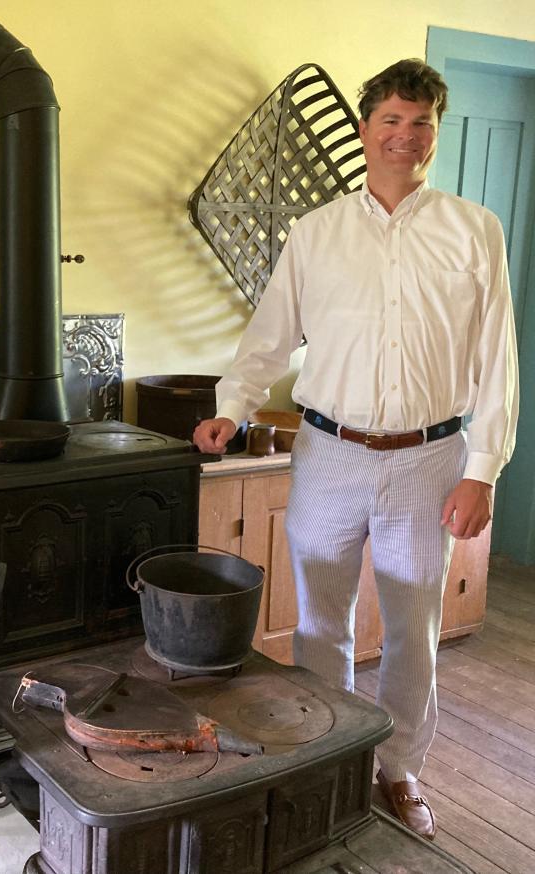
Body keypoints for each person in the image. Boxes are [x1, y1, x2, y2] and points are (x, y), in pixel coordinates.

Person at [193, 58, 518, 839]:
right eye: (392, 120)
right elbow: (271, 335)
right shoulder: (317, 232)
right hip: (328, 454)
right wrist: (230, 409)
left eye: (422, 123)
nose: (405, 136)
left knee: (413, 627)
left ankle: (400, 769)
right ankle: (323, 754)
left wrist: (482, 470)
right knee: (319, 623)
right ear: (367, 127)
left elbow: (499, 359)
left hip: (429, 458)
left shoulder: (474, 231)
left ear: (434, 135)